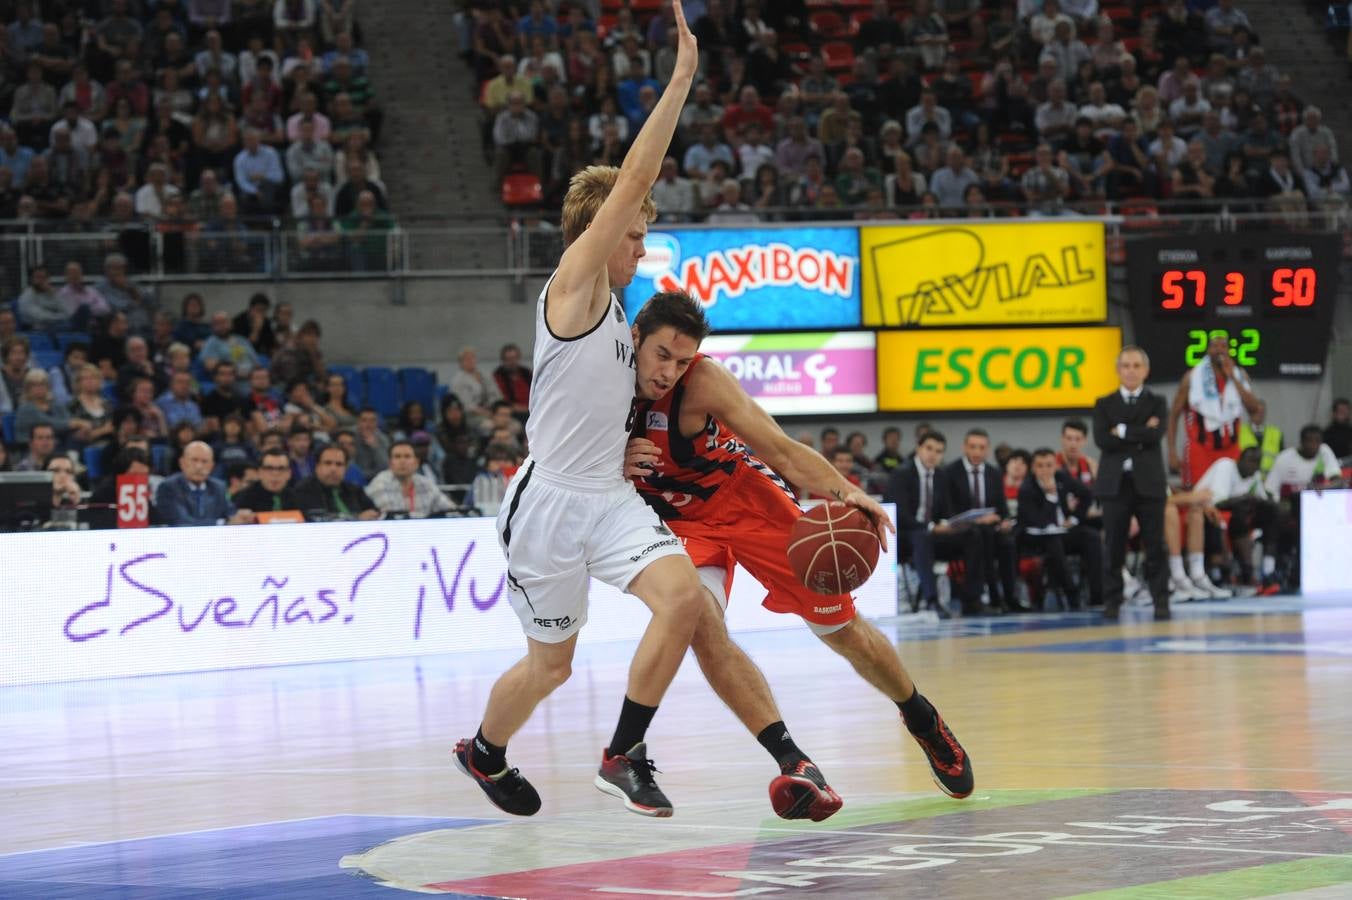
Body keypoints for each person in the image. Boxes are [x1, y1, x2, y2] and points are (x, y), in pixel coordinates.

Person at [456, 3, 704, 822]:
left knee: (684, 600)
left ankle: (623, 753)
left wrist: (626, 449)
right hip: (548, 506)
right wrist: (677, 81)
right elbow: (633, 180)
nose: (642, 245)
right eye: (634, 233)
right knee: (550, 667)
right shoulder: (575, 285)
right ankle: (485, 752)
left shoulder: (626, 321)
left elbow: (602, 405)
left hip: (606, 494)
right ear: (600, 232)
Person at [627, 292, 969, 809]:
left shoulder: (703, 381)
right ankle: (792, 760)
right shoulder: (597, 379)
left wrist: (846, 491)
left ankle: (921, 716)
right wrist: (612, 458)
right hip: (677, 523)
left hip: (747, 500)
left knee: (841, 629)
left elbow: (780, 448)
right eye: (661, 355)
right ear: (634, 338)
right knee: (696, 622)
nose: (669, 371)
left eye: (680, 360)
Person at [1093, 346, 1171, 621]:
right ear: (1118, 370)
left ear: (1146, 371)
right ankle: (1112, 600)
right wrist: (1140, 432)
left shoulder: (1157, 402)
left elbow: (1155, 435)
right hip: (1115, 484)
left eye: (1136, 366)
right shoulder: (1103, 404)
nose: (1131, 371)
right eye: (1126, 365)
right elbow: (1103, 440)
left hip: (1148, 482)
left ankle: (1161, 599)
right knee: (1114, 544)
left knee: (1155, 544)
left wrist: (1123, 430)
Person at [885, 430, 990, 618]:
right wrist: (931, 528)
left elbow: (946, 511)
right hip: (904, 537)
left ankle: (972, 599)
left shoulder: (941, 476)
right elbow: (899, 515)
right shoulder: (901, 474)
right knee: (921, 536)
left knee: (972, 535)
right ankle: (932, 600)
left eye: (939, 451)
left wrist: (952, 524)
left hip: (933, 534)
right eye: (929, 449)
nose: (933, 454)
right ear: (919, 448)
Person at [941, 427, 1025, 613]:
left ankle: (1009, 597)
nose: (977, 452)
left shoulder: (994, 473)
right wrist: (975, 521)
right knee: (978, 536)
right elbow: (949, 510)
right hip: (962, 530)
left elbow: (1001, 509)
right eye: (973, 447)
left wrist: (1003, 521)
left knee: (1008, 542)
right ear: (965, 447)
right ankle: (976, 598)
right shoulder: (950, 472)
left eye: (981, 447)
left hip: (990, 528)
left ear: (987, 449)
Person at [1167, 334, 1262, 489]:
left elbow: (1254, 409)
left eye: (1223, 346)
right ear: (1208, 350)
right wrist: (1171, 452)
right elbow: (1173, 415)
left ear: (1230, 351)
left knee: (1230, 496)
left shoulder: (1240, 375)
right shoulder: (1192, 377)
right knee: (1197, 497)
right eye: (1215, 346)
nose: (1219, 350)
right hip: (1200, 448)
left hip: (1230, 448)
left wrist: (1233, 378)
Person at [1019, 448, 1104, 610]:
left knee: (1091, 537)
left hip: (1062, 531)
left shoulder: (1062, 477)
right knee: (1053, 542)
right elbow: (1039, 522)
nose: (1045, 470)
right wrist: (1051, 496)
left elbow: (1087, 494)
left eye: (1049, 465)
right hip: (1037, 538)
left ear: (1056, 466)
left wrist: (1074, 518)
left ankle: (1097, 597)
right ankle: (1071, 592)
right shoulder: (1026, 489)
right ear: (1033, 468)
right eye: (1040, 466)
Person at [156, 441, 255, 526]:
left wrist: (242, 517)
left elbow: (230, 514)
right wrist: (222, 523)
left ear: (212, 466)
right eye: (194, 460)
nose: (199, 466)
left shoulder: (219, 487)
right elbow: (181, 522)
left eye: (204, 461)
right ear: (182, 462)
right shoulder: (168, 487)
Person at [364, 440, 455, 518]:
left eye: (407, 456)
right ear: (390, 463)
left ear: (416, 462)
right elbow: (394, 517)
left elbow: (451, 510)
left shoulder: (425, 483)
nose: (402, 461)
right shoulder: (381, 483)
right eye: (397, 456)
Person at [291, 443, 380, 520]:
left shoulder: (354, 490)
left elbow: (374, 512)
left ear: (346, 468)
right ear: (317, 467)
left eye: (339, 464)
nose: (333, 469)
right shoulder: (303, 490)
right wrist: (357, 519)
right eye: (328, 463)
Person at [233, 447, 299, 513]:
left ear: (289, 473)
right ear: (259, 472)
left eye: (281, 468)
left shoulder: (297, 497)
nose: (275, 473)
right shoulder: (243, 498)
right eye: (269, 468)